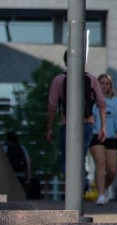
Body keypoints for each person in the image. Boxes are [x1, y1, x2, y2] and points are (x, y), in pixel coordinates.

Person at [45, 56, 109, 194]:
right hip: (87, 124)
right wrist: (103, 127)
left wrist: (49, 128)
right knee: (81, 159)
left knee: (66, 161)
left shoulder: (58, 80)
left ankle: (71, 194)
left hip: (67, 125)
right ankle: (79, 191)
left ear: (65, 62)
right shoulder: (91, 79)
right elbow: (102, 104)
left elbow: (52, 107)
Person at [96, 73, 117, 205]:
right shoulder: (92, 99)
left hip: (111, 136)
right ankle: (101, 195)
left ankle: (105, 187)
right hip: (95, 135)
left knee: (112, 170)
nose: (104, 85)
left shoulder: (115, 101)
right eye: (101, 82)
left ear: (110, 85)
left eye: (107, 83)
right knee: (100, 163)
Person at [4, 131, 33, 197]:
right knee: (20, 195)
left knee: (9, 195)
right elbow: (28, 162)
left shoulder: (5, 148)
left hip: (10, 174)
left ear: (7, 139)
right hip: (21, 174)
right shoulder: (22, 148)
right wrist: (28, 177)